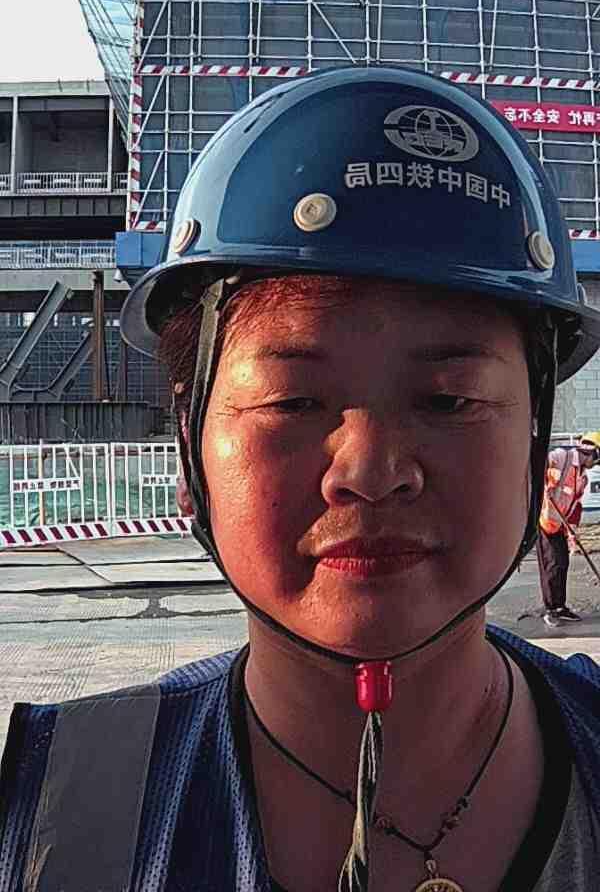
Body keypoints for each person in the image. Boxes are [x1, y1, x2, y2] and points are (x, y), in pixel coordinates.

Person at [2, 67, 600, 892]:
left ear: (534, 435)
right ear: (190, 446)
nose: (371, 472)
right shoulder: (58, 817)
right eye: (292, 400)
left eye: (449, 399)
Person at [538, 439, 599, 627]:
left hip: (560, 524)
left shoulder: (582, 477)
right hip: (545, 521)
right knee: (552, 565)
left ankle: (560, 607)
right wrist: (544, 482)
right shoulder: (562, 457)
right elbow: (538, 463)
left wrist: (572, 531)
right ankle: (550, 610)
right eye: (597, 460)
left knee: (562, 563)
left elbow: (575, 506)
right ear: (591, 452)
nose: (595, 465)